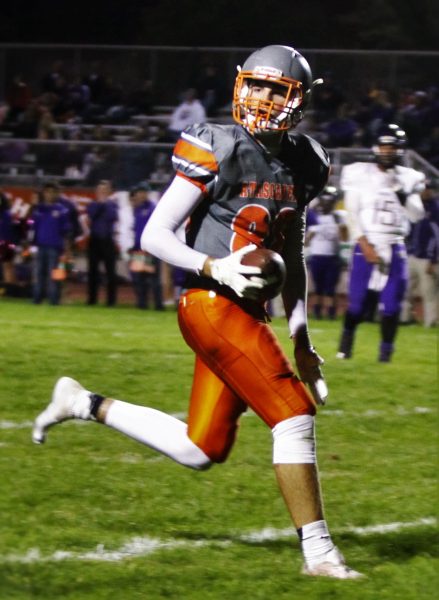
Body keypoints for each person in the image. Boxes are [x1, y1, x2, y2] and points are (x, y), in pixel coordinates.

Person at [32, 45, 362, 580]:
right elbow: (153, 235)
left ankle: (83, 402)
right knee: (293, 414)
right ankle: (320, 554)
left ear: (297, 99)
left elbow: (293, 257)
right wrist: (215, 267)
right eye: (254, 85)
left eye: (275, 89)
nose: (260, 97)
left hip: (248, 314)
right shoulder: (218, 145)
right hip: (209, 302)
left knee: (200, 448)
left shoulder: (306, 160)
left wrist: (302, 339)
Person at [336, 124, 426, 362]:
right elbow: (352, 213)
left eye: (392, 147)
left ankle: (385, 355)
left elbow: (417, 215)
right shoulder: (359, 174)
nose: (387, 151)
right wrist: (364, 243)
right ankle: (345, 348)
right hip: (367, 242)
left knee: (392, 304)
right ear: (376, 147)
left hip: (396, 245)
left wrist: (402, 194)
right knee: (357, 304)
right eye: (384, 146)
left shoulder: (409, 178)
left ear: (400, 150)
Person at [306, 186, 348, 319]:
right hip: (317, 256)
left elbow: (344, 238)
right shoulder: (313, 216)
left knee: (330, 289)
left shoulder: (339, 217)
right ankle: (317, 313)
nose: (326, 204)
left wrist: (340, 226)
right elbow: (306, 241)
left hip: (332, 257)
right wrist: (313, 231)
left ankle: (331, 314)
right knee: (317, 288)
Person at [401, 180, 439, 327]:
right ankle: (405, 318)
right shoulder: (415, 206)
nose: (424, 192)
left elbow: (437, 235)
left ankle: (430, 322)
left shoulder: (435, 208)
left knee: (428, 292)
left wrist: (432, 258)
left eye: (427, 189)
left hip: (426, 258)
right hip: (411, 254)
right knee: (405, 288)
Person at [30, 182, 71, 305]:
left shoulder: (62, 210)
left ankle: (54, 300)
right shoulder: (38, 210)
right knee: (38, 274)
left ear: (57, 194)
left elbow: (66, 231)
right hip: (40, 246)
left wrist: (67, 250)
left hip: (55, 248)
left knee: (54, 275)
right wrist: (31, 246)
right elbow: (32, 228)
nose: (50, 194)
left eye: (53, 192)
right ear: (43, 193)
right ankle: (37, 299)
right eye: (47, 191)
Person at [128, 182, 164, 310]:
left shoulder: (152, 208)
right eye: (139, 192)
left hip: (150, 248)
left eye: (143, 192)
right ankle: (142, 303)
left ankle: (158, 305)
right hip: (139, 249)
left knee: (153, 278)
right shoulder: (137, 208)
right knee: (139, 277)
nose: (141, 194)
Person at [86, 180, 119, 306]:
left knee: (110, 271)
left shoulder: (113, 205)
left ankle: (111, 300)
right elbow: (91, 215)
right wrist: (101, 204)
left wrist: (105, 203)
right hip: (94, 239)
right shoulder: (93, 204)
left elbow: (113, 216)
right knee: (92, 271)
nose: (102, 193)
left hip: (107, 239)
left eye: (105, 190)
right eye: (100, 190)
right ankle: (92, 299)